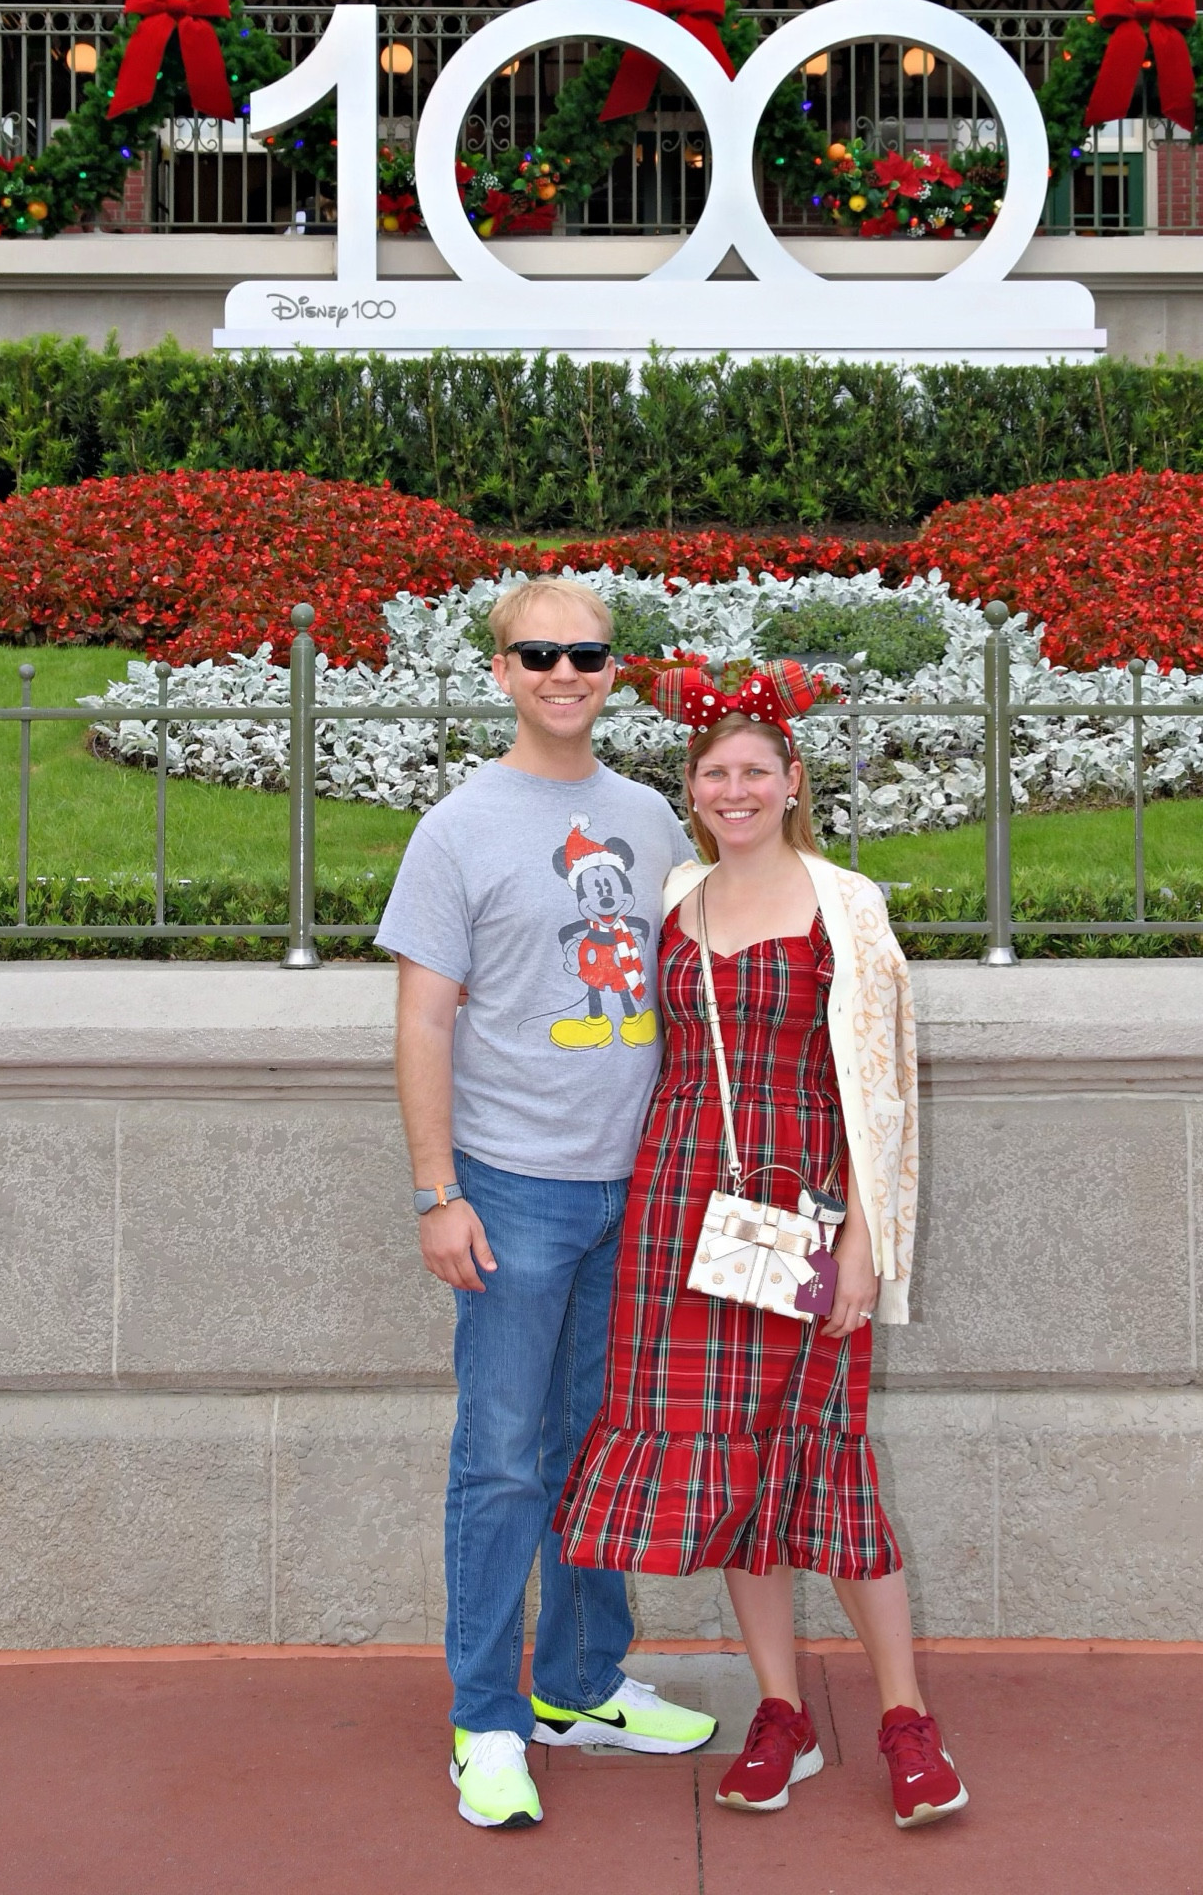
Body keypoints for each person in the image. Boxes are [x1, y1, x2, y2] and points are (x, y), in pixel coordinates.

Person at [556, 661, 969, 1831]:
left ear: (791, 782)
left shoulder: (849, 904)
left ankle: (903, 1718)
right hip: (678, 1217)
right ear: (691, 789)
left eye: (754, 771)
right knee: (736, 1471)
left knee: (828, 1462)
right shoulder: (674, 895)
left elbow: (880, 1092)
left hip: (802, 1217)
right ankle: (779, 1709)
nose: (733, 788)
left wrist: (864, 1246)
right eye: (713, 772)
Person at [377, 578, 716, 1832]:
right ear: (503, 668)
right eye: (540, 653)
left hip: (636, 1184)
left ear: (613, 669)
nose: (565, 671)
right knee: (503, 1461)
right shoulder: (458, 826)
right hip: (512, 1186)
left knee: (598, 1445)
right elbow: (421, 1016)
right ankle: (487, 1719)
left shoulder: (644, 814)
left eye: (586, 652)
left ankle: (580, 1682)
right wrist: (437, 1190)